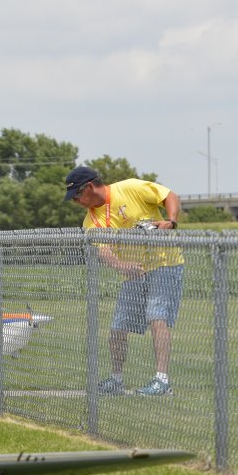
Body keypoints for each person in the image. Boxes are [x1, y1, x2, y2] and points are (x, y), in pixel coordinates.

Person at [64, 166, 184, 396]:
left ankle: (162, 381)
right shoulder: (91, 220)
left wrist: (170, 221)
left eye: (77, 195)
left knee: (157, 317)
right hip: (133, 272)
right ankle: (116, 380)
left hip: (165, 262)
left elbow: (169, 196)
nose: (75, 201)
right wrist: (122, 266)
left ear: (89, 187)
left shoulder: (130, 188)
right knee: (118, 327)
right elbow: (104, 250)